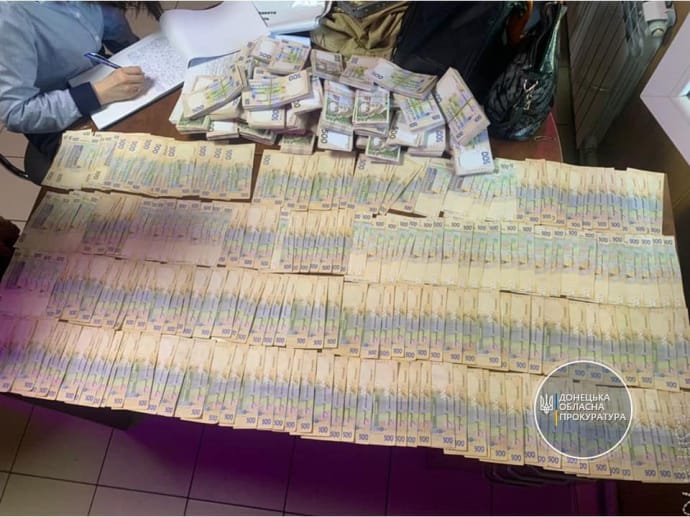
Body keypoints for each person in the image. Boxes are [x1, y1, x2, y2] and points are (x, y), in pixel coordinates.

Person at [0, 1, 162, 183]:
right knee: (139, 172)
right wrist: (97, 93)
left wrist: (138, 51)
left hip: (99, 74)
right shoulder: (8, 14)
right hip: (56, 118)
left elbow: (108, 30)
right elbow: (16, 113)